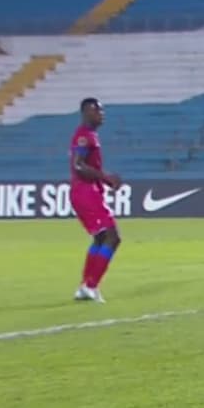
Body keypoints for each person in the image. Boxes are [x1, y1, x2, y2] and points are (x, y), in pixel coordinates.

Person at [70, 98, 122, 303]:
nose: (102, 113)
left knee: (101, 238)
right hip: (86, 193)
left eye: (102, 110)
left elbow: (85, 166)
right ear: (85, 113)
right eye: (96, 110)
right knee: (113, 237)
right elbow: (78, 166)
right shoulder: (84, 137)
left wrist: (105, 181)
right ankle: (91, 286)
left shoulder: (89, 136)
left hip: (86, 192)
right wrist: (105, 177)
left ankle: (86, 286)